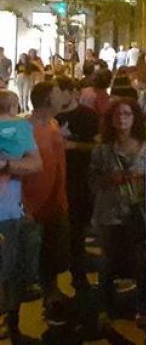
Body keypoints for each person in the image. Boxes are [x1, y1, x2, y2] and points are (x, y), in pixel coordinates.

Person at [89, 97, 146, 331]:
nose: (122, 119)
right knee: (108, 261)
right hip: (110, 212)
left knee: (142, 261)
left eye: (127, 114)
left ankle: (142, 308)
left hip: (140, 212)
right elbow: (92, 180)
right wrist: (109, 179)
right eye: (117, 115)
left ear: (135, 118)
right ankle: (105, 308)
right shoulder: (102, 148)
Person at [23, 80, 71, 321]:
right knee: (31, 258)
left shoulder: (52, 124)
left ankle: (51, 295)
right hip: (32, 204)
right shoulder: (25, 128)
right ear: (48, 99)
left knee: (54, 253)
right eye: (58, 93)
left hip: (56, 199)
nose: (64, 96)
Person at [0, 89, 42, 342]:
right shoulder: (19, 128)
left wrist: (6, 165)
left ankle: (11, 325)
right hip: (9, 212)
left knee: (10, 271)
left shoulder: (19, 128)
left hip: (9, 212)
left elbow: (35, 164)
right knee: (10, 271)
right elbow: (35, 164)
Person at [55, 77, 100, 293]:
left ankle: (79, 275)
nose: (56, 97)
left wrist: (74, 146)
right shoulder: (52, 116)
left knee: (77, 228)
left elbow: (98, 146)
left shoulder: (88, 116)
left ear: (71, 92)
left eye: (59, 92)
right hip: (57, 179)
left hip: (81, 179)